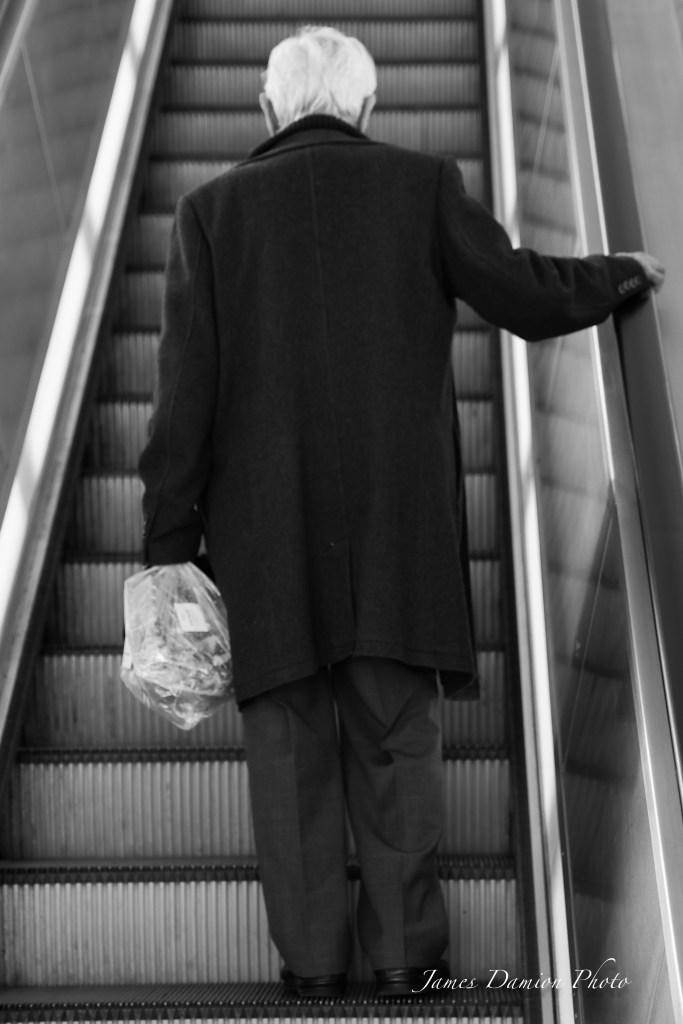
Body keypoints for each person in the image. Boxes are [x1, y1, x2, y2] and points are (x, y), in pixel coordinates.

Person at [138, 26, 665, 1000]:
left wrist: (167, 547)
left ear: (266, 109)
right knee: (396, 747)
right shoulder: (421, 186)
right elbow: (519, 290)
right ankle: (407, 961)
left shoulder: (209, 214)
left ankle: (312, 968)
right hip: (397, 538)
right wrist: (616, 273)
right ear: (369, 108)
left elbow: (183, 401)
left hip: (266, 548)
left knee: (289, 758)